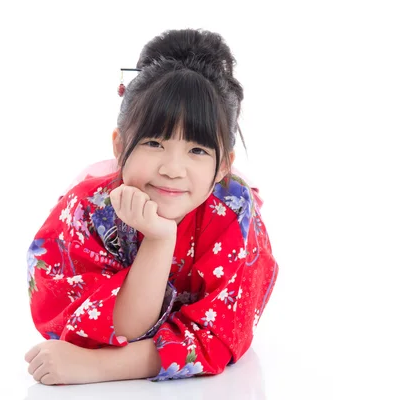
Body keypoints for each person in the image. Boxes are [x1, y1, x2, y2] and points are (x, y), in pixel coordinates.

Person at [24, 28, 279, 385]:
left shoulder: (233, 213)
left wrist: (98, 367)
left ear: (223, 165)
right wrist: (158, 241)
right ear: (120, 144)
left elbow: (220, 335)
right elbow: (118, 328)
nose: (172, 169)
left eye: (197, 150)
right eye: (154, 143)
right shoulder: (87, 210)